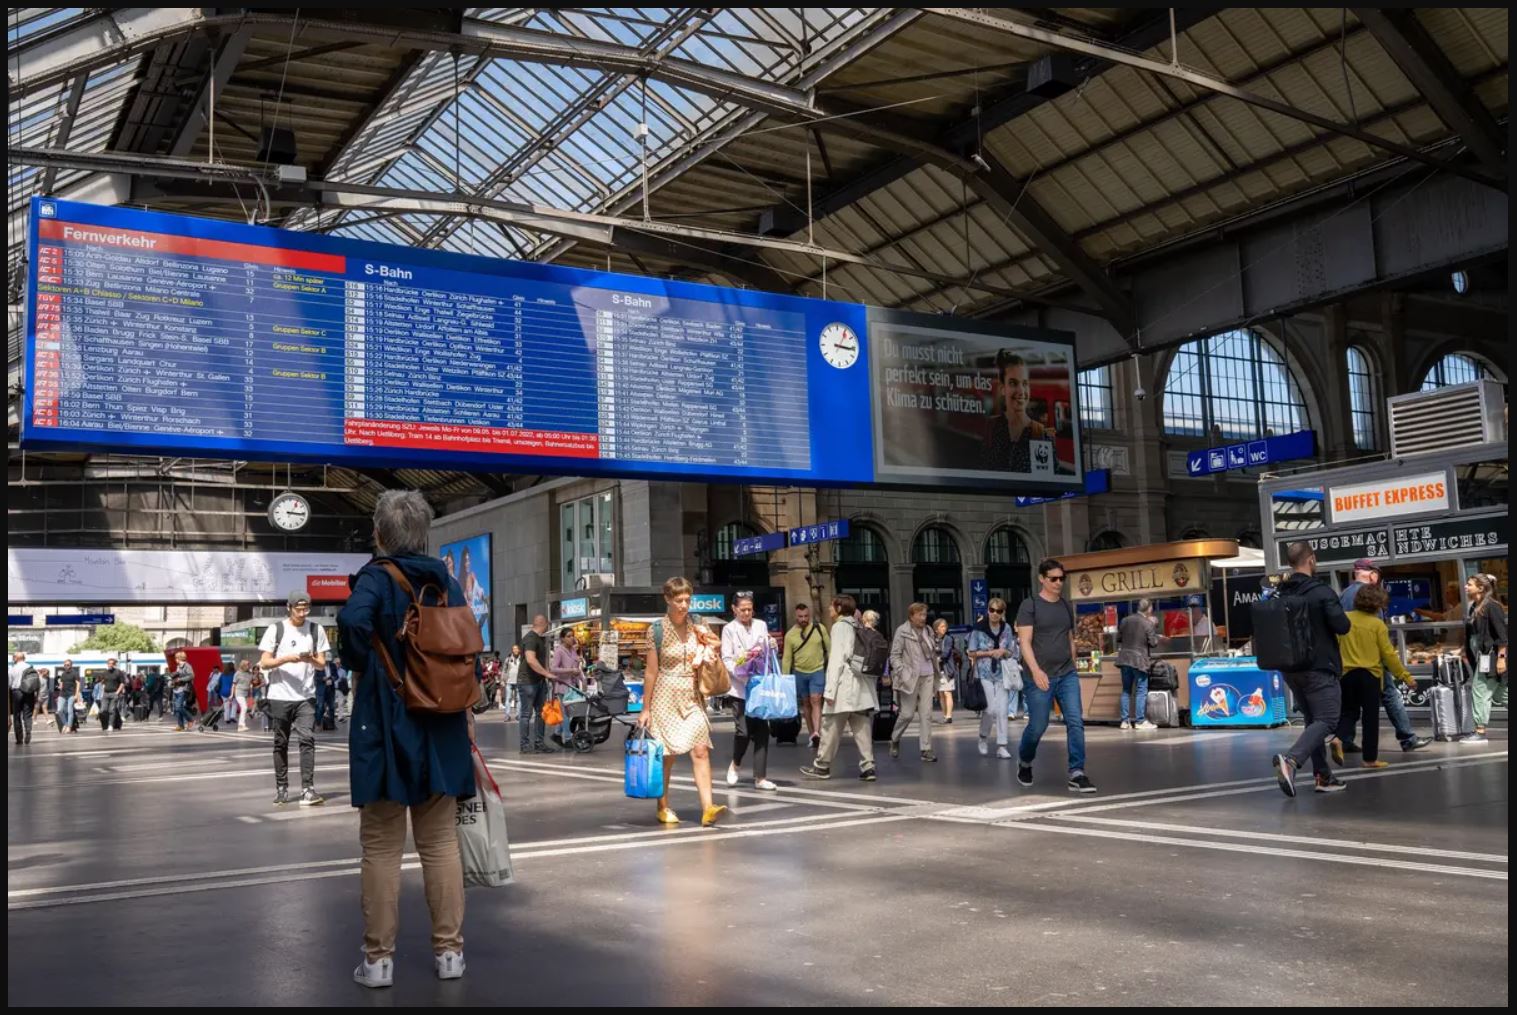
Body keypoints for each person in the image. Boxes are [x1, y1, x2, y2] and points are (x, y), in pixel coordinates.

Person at [339, 489, 475, 988]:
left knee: (380, 843)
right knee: (440, 841)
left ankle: (378, 961)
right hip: (441, 719)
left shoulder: (376, 577)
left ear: (380, 534)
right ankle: (450, 954)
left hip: (386, 716)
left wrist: (363, 663)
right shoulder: (446, 581)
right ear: (424, 534)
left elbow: (353, 620)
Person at [640, 577, 726, 827]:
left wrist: (709, 640)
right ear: (668, 599)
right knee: (667, 755)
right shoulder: (656, 630)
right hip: (665, 695)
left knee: (700, 749)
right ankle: (662, 806)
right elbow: (650, 672)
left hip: (692, 692)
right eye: (679, 600)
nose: (684, 605)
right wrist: (645, 708)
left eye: (687, 600)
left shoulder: (698, 622)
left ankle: (708, 807)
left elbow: (716, 645)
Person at [1270, 542, 1352, 798]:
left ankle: (1323, 776)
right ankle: (1291, 760)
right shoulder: (1321, 592)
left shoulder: (1281, 593)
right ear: (1312, 560)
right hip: (1319, 667)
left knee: (1312, 721)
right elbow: (1343, 626)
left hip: (1292, 669)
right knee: (1327, 719)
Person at [1015, 559, 1096, 793]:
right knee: (1038, 726)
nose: (1058, 582)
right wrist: (1036, 671)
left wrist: (1073, 664)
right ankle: (1025, 761)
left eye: (1062, 578)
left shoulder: (1065, 605)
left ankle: (1077, 772)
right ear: (1042, 579)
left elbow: (1069, 637)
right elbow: (1025, 643)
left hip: (1066, 673)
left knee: (1075, 721)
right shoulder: (1029, 606)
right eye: (1053, 579)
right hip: (1039, 676)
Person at [1337, 560, 1432, 753]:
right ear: (1372, 575)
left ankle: (1343, 740)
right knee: (1388, 697)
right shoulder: (1370, 596)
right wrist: (1404, 675)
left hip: (1348, 664)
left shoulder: (1343, 595)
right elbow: (1384, 646)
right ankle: (1406, 738)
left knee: (1350, 706)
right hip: (1372, 664)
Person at [258, 591, 330, 807]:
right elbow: (264, 662)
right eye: (298, 609)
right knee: (281, 742)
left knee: (307, 739)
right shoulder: (276, 629)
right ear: (288, 607)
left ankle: (308, 789)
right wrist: (286, 659)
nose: (302, 613)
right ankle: (282, 787)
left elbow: (322, 664)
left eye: (306, 609)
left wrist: (310, 659)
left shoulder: (316, 629)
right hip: (280, 695)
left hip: (305, 696)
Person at [1337, 584, 1418, 769]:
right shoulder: (1377, 625)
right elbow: (1388, 655)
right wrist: (1405, 676)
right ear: (1378, 603)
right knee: (1370, 718)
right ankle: (1370, 759)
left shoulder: (1345, 619)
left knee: (1349, 712)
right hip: (1370, 676)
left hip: (1346, 675)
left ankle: (1338, 738)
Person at [801, 595, 879, 781]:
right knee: (862, 728)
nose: (829, 609)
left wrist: (829, 691)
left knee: (831, 727)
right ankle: (868, 767)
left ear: (838, 608)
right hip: (862, 686)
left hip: (844, 686)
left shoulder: (839, 627)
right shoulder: (859, 624)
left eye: (831, 606)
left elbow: (836, 659)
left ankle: (822, 766)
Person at [721, 592, 776, 792]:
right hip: (739, 688)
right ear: (734, 609)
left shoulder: (761, 625)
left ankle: (760, 777)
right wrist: (741, 671)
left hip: (759, 686)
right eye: (742, 609)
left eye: (749, 609)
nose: (746, 613)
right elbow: (726, 658)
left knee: (762, 730)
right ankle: (735, 763)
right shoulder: (729, 629)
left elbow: (767, 653)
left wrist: (772, 646)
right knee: (743, 731)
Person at [887, 603, 942, 763]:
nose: (923, 618)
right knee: (907, 714)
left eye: (925, 615)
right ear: (911, 616)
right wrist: (902, 672)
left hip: (928, 676)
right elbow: (894, 656)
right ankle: (894, 738)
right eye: (920, 615)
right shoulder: (902, 632)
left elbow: (932, 652)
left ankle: (926, 749)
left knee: (926, 714)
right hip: (910, 677)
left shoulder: (928, 630)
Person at [983, 349, 1050, 472]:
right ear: (1003, 389)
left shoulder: (1040, 433)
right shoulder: (991, 427)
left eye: (1025, 383)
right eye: (1013, 383)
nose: (1021, 391)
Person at [967, 598, 1018, 759]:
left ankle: (1002, 745)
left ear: (1003, 613)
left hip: (1002, 673)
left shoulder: (1007, 628)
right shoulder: (978, 629)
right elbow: (971, 652)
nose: (995, 614)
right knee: (989, 709)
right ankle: (983, 737)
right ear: (988, 610)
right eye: (992, 610)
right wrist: (990, 653)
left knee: (1002, 710)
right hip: (983, 673)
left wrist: (1003, 651)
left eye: (999, 611)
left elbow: (1012, 651)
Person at [1464, 573, 1507, 744]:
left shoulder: (1492, 607)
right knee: (1500, 694)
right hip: (1481, 657)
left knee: (1479, 690)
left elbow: (1502, 636)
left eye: (1469, 584)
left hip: (1491, 658)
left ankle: (1480, 731)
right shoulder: (1475, 606)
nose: (1466, 587)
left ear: (1481, 588)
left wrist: (1502, 658)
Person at [781, 603, 830, 750]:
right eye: (800, 616)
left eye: (806, 616)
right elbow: (787, 658)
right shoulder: (790, 635)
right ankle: (812, 735)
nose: (803, 619)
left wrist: (832, 669)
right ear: (796, 616)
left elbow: (830, 648)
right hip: (799, 672)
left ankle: (817, 732)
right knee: (806, 703)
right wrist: (785, 678)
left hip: (817, 670)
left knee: (816, 700)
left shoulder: (819, 628)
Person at [1116, 599, 1161, 731]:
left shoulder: (1125, 620)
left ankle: (1125, 721)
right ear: (1149, 609)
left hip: (1124, 659)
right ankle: (1140, 721)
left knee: (1126, 690)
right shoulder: (1147, 623)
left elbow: (1119, 638)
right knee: (1141, 691)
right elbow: (1153, 643)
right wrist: (1157, 636)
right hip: (1140, 661)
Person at [518, 616, 555, 753]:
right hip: (528, 681)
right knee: (526, 714)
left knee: (541, 713)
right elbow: (530, 659)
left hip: (538, 681)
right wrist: (547, 674)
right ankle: (525, 745)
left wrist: (545, 675)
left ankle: (539, 743)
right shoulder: (531, 638)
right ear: (544, 624)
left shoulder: (539, 639)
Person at [10, 652, 39, 745]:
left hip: (17, 692)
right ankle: (28, 732)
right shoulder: (30, 667)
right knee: (27, 715)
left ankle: (19, 739)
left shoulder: (12, 669)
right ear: (24, 658)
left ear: (16, 658)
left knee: (17, 716)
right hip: (29, 693)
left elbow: (9, 685)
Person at [933, 617, 957, 724]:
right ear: (936, 629)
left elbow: (946, 653)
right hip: (937, 670)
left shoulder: (948, 639)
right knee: (941, 693)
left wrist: (937, 658)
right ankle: (944, 715)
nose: (944, 628)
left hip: (947, 669)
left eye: (945, 626)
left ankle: (949, 716)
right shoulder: (933, 639)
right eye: (941, 627)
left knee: (947, 692)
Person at [98, 656, 129, 734]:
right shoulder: (105, 673)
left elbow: (122, 683)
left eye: (112, 664)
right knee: (102, 710)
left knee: (111, 710)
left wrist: (117, 692)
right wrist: (102, 687)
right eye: (109, 663)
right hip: (105, 693)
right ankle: (106, 724)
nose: (110, 665)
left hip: (114, 693)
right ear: (107, 664)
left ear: (114, 664)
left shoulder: (118, 672)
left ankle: (110, 725)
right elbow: (102, 682)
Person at [170, 651, 197, 732]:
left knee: (178, 706)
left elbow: (192, 675)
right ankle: (180, 725)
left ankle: (191, 720)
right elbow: (179, 675)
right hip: (177, 689)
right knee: (177, 708)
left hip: (184, 689)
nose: (175, 660)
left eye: (176, 658)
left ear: (179, 658)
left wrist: (180, 679)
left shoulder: (187, 666)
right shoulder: (179, 666)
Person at [56, 659, 82, 734]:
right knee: (59, 710)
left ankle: (69, 727)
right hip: (62, 694)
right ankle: (66, 724)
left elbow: (78, 684)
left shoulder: (75, 673)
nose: (66, 666)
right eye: (65, 665)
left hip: (71, 694)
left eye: (68, 665)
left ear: (71, 665)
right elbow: (61, 684)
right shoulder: (63, 674)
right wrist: (60, 689)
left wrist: (77, 695)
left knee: (69, 711)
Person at [232, 660, 256, 732]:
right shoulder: (237, 673)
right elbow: (234, 684)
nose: (249, 666)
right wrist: (232, 694)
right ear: (244, 665)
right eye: (248, 665)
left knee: (244, 708)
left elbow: (253, 681)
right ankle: (241, 725)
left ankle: (243, 724)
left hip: (245, 693)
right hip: (238, 692)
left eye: (249, 665)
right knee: (244, 707)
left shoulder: (250, 674)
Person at [501, 644, 522, 720]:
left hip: (519, 681)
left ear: (519, 650)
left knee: (519, 699)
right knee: (508, 699)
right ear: (512, 650)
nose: (515, 650)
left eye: (517, 649)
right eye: (514, 649)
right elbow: (504, 670)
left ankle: (519, 715)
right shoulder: (508, 659)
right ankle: (507, 715)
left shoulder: (522, 659)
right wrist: (503, 680)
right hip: (509, 681)